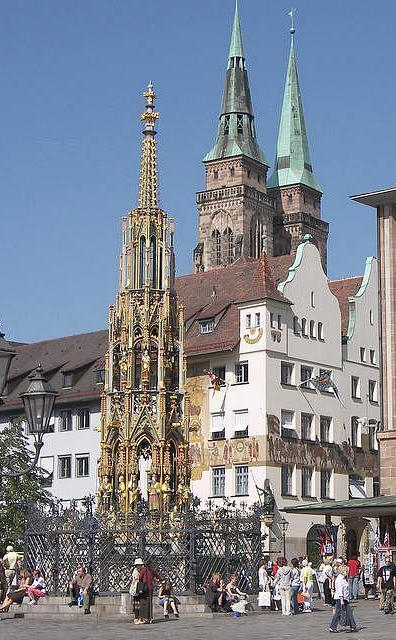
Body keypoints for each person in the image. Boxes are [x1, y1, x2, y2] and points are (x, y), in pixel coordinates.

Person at [329, 565, 357, 633]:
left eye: (347, 571)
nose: (347, 572)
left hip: (345, 598)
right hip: (340, 598)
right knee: (338, 613)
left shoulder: (344, 578)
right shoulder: (339, 579)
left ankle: (353, 626)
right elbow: (339, 590)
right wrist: (341, 600)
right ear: (342, 571)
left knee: (349, 611)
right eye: (346, 571)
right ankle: (332, 627)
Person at [138, 559, 161, 623]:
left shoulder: (143, 570)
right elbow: (157, 576)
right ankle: (150, 618)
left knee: (144, 603)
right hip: (150, 588)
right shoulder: (151, 570)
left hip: (144, 588)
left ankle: (145, 618)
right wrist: (160, 579)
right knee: (150, 603)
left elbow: (140, 578)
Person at [130, 557, 144, 624]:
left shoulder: (138, 571)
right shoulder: (136, 572)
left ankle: (139, 618)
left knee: (138, 605)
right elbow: (136, 581)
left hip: (137, 589)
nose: (140, 566)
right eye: (139, 565)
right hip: (136, 589)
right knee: (137, 605)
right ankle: (136, 618)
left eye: (141, 565)